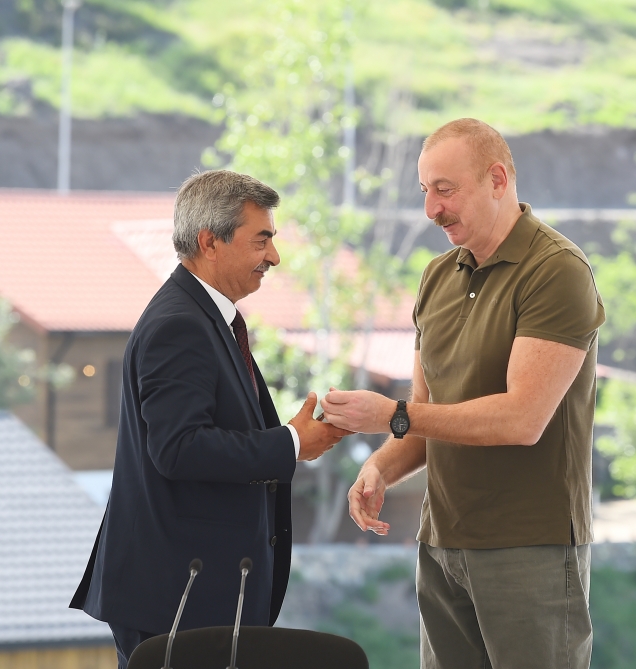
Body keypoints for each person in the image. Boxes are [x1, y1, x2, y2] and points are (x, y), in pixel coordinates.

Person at [320, 118, 606, 669]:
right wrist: (379, 467)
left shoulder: (556, 271)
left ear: (497, 179)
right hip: (442, 542)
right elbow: (424, 417)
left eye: (445, 190)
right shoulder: (436, 277)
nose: (432, 209)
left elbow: (521, 419)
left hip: (530, 547)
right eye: (425, 191)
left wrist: (393, 415)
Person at [70, 170, 348, 669]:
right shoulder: (180, 323)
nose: (274, 257)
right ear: (209, 242)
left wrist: (290, 436)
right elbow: (179, 449)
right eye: (261, 240)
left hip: (194, 590)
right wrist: (290, 442)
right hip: (175, 595)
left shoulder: (207, 317)